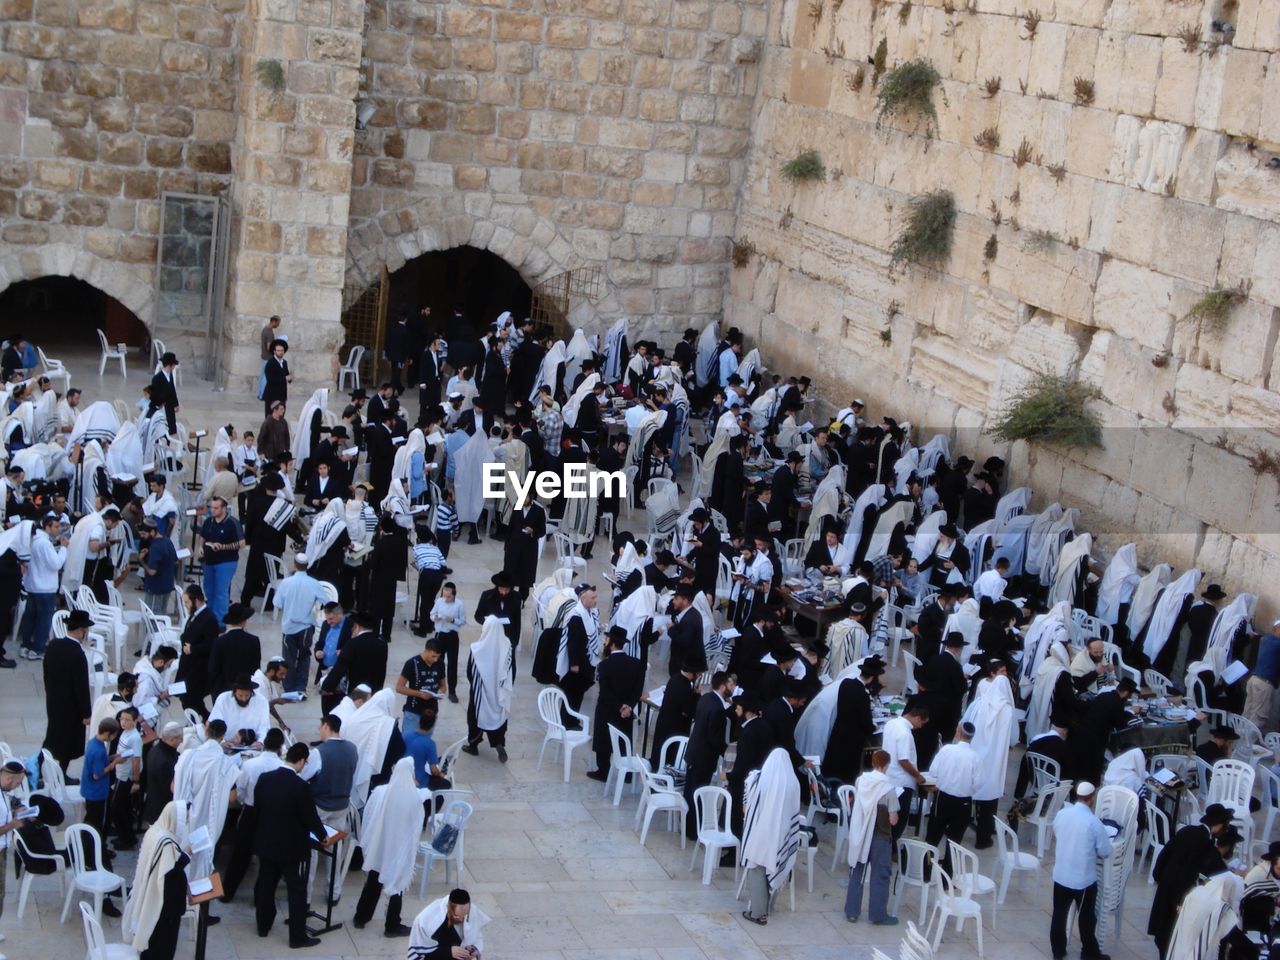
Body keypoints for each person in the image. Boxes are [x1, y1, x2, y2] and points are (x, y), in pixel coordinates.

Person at [253, 742, 330, 949]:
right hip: (291, 848)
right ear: (302, 761)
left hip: (267, 843)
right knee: (296, 890)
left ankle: (263, 926)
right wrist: (323, 835)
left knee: (266, 884)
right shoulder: (300, 787)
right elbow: (310, 818)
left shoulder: (265, 779)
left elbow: (257, 808)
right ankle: (297, 937)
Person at [1149, 803, 1236, 955]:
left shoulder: (1187, 830)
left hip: (1165, 887)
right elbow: (1187, 872)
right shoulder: (1204, 841)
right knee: (1170, 938)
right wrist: (1181, 900)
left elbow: (1164, 854)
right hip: (1177, 895)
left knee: (1163, 934)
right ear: (1219, 825)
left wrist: (1158, 876)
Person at [352, 756, 418, 938]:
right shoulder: (413, 798)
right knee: (397, 885)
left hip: (378, 847)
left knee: (373, 880)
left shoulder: (380, 791)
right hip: (397, 850)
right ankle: (392, 925)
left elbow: (369, 816)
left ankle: (361, 917)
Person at [1049, 782, 1113, 960]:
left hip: (1061, 874)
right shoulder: (1093, 822)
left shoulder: (1062, 814)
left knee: (1059, 914)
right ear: (1092, 798)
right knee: (1086, 918)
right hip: (1082, 880)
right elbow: (1105, 851)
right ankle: (1090, 952)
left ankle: (1058, 951)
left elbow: (1057, 831)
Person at [740, 747, 803, 926]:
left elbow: (747, 806)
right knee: (777, 865)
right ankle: (769, 907)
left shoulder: (760, 780)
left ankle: (758, 913)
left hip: (761, 832)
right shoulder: (793, 783)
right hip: (781, 834)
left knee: (757, 866)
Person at [120, 800, 191, 960]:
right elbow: (170, 868)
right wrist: (187, 854)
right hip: (165, 907)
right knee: (163, 947)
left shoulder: (155, 830)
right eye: (184, 818)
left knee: (153, 945)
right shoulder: (165, 842)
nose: (186, 822)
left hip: (157, 902)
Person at [964, 660, 1015, 848]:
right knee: (990, 797)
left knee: (970, 791)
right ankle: (983, 838)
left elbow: (967, 722)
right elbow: (1011, 737)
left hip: (978, 753)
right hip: (995, 759)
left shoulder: (980, 703)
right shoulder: (1007, 711)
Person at [845, 749, 900, 925]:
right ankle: (878, 915)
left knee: (857, 871)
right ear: (886, 765)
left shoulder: (861, 781)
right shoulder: (888, 789)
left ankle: (852, 911)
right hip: (880, 836)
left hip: (861, 833)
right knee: (880, 875)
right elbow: (893, 819)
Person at [925, 721, 981, 874]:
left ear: (958, 732)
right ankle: (947, 877)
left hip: (943, 799)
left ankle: (926, 872)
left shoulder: (946, 750)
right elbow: (978, 784)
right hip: (963, 803)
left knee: (932, 837)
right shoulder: (975, 757)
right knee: (955, 842)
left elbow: (933, 772)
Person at [682, 671, 734, 836]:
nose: (733, 688)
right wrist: (727, 752)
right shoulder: (717, 708)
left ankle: (685, 824)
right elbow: (714, 738)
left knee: (690, 790)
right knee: (698, 791)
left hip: (694, 752)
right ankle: (692, 830)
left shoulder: (705, 698)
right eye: (731, 684)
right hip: (704, 757)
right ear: (723, 685)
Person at [43, 607, 92, 774]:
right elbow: (81, 687)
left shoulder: (53, 645)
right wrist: (86, 713)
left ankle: (40, 764)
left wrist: (50, 693)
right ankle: (61, 774)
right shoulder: (78, 655)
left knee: (53, 734)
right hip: (71, 707)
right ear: (81, 631)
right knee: (67, 741)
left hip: (53, 700)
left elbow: (46, 674)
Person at [591, 626, 645, 777]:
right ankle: (626, 774)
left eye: (607, 640)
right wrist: (628, 706)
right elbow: (637, 690)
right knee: (624, 741)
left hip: (607, 710)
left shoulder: (604, 665)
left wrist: (619, 706)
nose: (604, 643)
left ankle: (603, 771)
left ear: (613, 644)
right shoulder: (636, 664)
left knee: (604, 741)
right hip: (626, 712)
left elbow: (605, 692)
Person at [273, 554, 330, 696]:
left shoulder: (286, 583)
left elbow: (277, 603)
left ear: (294, 565)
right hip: (305, 627)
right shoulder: (313, 583)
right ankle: (300, 687)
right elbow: (327, 601)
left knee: (289, 657)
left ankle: (289, 687)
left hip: (289, 627)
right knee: (304, 656)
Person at [824, 656, 884, 782]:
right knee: (847, 774)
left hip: (838, 733)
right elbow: (866, 724)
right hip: (852, 741)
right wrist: (874, 727)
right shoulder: (862, 695)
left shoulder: (846, 684)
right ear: (872, 678)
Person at [1165, 872, 1251, 960]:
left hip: (1181, 954)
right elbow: (1240, 941)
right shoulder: (1221, 909)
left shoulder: (1194, 894)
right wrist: (1255, 952)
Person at [463, 615, 514, 762]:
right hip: (499, 692)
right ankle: (499, 744)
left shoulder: (476, 649)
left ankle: (473, 745)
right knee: (498, 717)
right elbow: (511, 669)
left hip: (480, 691)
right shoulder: (507, 645)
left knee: (475, 716)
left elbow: (470, 673)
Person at [727, 692, 774, 840]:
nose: (736, 711)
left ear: (746, 712)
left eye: (738, 709)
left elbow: (744, 763)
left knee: (737, 817)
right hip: (758, 780)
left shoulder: (748, 732)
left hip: (745, 783)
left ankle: (734, 851)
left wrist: (729, 776)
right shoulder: (763, 726)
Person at [19, 512, 66, 660]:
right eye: (56, 526)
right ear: (47, 527)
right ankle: (37, 649)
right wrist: (64, 549)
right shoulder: (44, 543)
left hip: (32, 586)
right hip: (45, 588)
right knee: (43, 620)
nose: (58, 529)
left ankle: (25, 646)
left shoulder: (34, 540)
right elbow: (56, 564)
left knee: (30, 618)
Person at [882, 704, 928, 843]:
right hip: (901, 782)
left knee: (888, 816)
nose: (920, 727)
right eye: (922, 723)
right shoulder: (905, 734)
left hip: (888, 777)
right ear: (918, 718)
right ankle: (891, 848)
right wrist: (917, 775)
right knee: (898, 819)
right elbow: (903, 760)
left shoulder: (891, 723)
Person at [80, 718, 120, 874]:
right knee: (95, 824)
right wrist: (113, 765)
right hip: (96, 793)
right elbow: (98, 774)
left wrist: (112, 757)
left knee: (90, 820)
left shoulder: (93, 743)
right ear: (108, 734)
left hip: (90, 790)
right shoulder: (98, 750)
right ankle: (91, 855)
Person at [407, 888, 491, 960]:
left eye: (465, 916)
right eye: (458, 917)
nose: (462, 920)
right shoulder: (426, 919)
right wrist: (448, 952)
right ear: (448, 908)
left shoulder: (471, 911)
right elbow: (418, 953)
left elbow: (476, 936)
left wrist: (474, 950)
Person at [320, 610, 387, 700]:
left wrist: (326, 686)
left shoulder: (353, 643)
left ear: (357, 627)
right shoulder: (382, 644)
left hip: (357, 694)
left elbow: (340, 668)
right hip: (375, 693)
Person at [198, 496, 244, 625]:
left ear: (224, 508)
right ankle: (210, 617)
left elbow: (241, 543)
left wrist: (223, 546)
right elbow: (202, 536)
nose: (213, 510)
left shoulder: (232, 523)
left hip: (226, 562)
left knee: (221, 591)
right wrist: (201, 547)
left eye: (216, 508)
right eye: (212, 508)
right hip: (209, 561)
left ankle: (220, 621)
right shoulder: (209, 521)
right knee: (209, 589)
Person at [649, 657, 701, 771]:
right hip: (674, 730)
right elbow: (691, 711)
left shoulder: (675, 679)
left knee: (659, 756)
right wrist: (697, 694)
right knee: (668, 761)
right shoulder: (685, 687)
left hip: (665, 724)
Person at [175, 584, 218, 717]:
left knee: (191, 699)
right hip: (189, 666)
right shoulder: (196, 614)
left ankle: (206, 721)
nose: (185, 605)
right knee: (188, 699)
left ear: (197, 601)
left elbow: (211, 645)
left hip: (198, 669)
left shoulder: (209, 619)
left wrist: (192, 649)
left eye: (187, 602)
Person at [312, 713, 359, 826]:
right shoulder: (352, 748)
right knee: (335, 839)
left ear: (326, 726)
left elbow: (305, 776)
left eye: (320, 728)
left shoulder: (319, 751)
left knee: (320, 840)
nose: (320, 731)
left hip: (321, 805)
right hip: (342, 805)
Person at [207, 602, 261, 699]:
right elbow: (256, 669)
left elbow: (213, 670)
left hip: (222, 691)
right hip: (245, 691)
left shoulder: (219, 642)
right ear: (244, 621)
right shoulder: (253, 641)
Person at [110, 707, 144, 850]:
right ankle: (125, 835)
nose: (123, 722)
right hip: (120, 773)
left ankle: (127, 839)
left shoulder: (134, 738)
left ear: (135, 721)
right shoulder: (125, 732)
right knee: (122, 807)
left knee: (117, 807)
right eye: (121, 719)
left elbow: (136, 760)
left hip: (125, 777)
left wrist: (136, 781)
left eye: (127, 720)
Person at [398, 638, 447, 735]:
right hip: (414, 712)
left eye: (438, 657)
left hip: (431, 713)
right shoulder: (412, 663)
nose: (435, 660)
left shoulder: (440, 663)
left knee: (425, 741)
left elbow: (443, 686)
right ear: (427, 650)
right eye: (433, 656)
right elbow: (399, 687)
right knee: (408, 742)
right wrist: (419, 694)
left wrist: (440, 693)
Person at [209, 674, 272, 747]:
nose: (244, 699)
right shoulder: (223, 698)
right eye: (240, 696)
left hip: (252, 744)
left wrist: (260, 742)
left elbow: (264, 726)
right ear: (234, 692)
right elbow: (215, 724)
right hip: (225, 744)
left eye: (247, 695)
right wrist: (222, 742)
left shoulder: (262, 701)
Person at [430, 582, 467, 703]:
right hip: (440, 635)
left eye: (449, 596)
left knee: (452, 663)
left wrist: (452, 620)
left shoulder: (459, 604)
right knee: (437, 661)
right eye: (444, 595)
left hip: (451, 635)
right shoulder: (439, 601)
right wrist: (434, 617)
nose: (446, 598)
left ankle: (452, 691)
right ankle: (436, 686)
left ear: (454, 594)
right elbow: (432, 614)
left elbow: (462, 621)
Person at [143, 722, 183, 825]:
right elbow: (169, 789)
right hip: (161, 811)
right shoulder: (164, 760)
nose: (181, 741)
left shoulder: (155, 750)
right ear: (172, 739)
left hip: (155, 804)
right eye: (180, 738)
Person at [137, 518, 179, 615]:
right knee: (161, 616)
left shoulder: (155, 547)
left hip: (155, 589)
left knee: (152, 618)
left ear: (152, 532)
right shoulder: (167, 541)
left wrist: (142, 561)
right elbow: (176, 561)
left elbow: (152, 571)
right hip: (167, 586)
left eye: (144, 534)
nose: (142, 537)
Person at [1245, 619, 1280, 731]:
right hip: (1264, 684)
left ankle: (1239, 741)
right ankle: (1248, 745)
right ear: (1276, 629)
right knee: (1258, 718)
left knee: (1247, 714)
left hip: (1254, 680)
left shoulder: (1265, 640)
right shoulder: (1277, 644)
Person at [148, 352, 181, 435]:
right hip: (161, 407)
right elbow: (153, 395)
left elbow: (173, 390)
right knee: (161, 429)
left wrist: (176, 404)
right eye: (173, 365)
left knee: (171, 428)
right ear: (170, 365)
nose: (174, 367)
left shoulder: (170, 376)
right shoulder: (157, 378)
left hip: (169, 407)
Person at [262, 338, 292, 417]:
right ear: (274, 351)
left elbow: (287, 374)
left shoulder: (284, 362)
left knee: (281, 416)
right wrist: (284, 379)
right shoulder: (270, 363)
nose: (280, 352)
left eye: (282, 350)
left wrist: (290, 378)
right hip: (272, 395)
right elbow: (270, 378)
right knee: (270, 416)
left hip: (282, 395)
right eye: (278, 351)